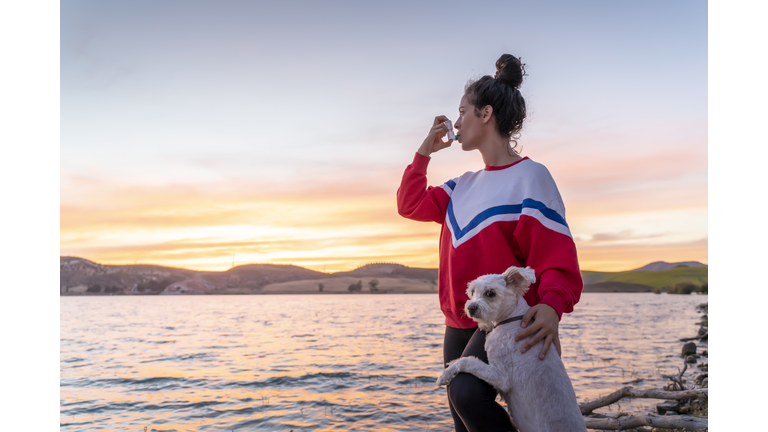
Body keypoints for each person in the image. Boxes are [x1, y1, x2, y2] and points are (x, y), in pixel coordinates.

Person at [396, 54, 583, 432]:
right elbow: (409, 204)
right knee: (464, 420)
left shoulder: (531, 177)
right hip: (459, 320)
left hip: (510, 321)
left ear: (485, 114)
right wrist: (423, 152)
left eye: (462, 111)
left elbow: (554, 256)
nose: (456, 121)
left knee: (466, 392)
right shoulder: (460, 185)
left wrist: (551, 306)